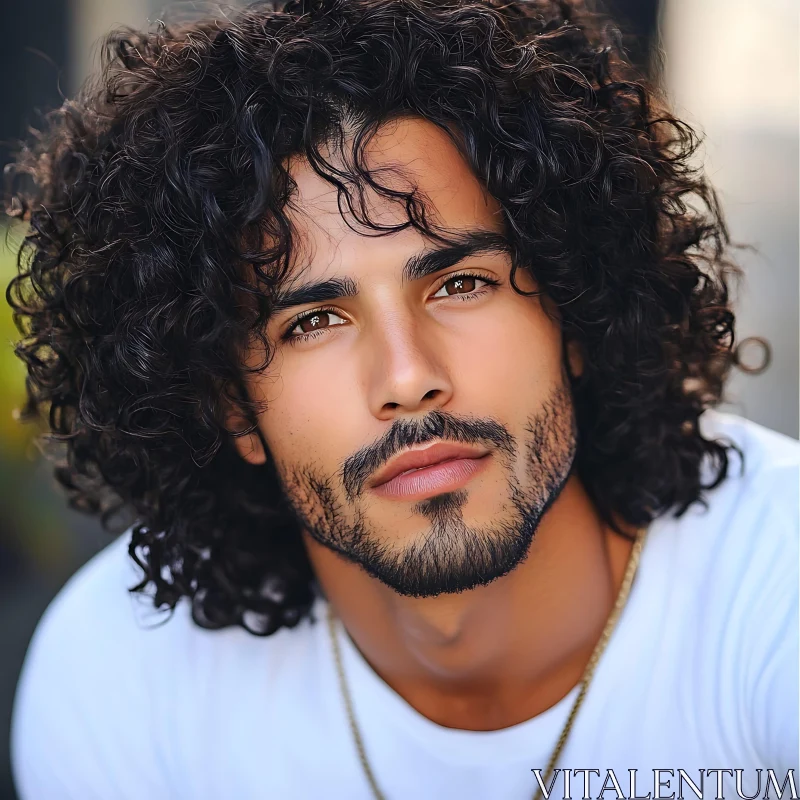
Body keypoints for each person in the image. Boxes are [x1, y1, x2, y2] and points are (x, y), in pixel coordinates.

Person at [6, 0, 798, 797]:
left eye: (461, 283)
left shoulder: (772, 581)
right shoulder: (121, 677)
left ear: (577, 313)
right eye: (314, 321)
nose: (407, 377)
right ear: (232, 406)